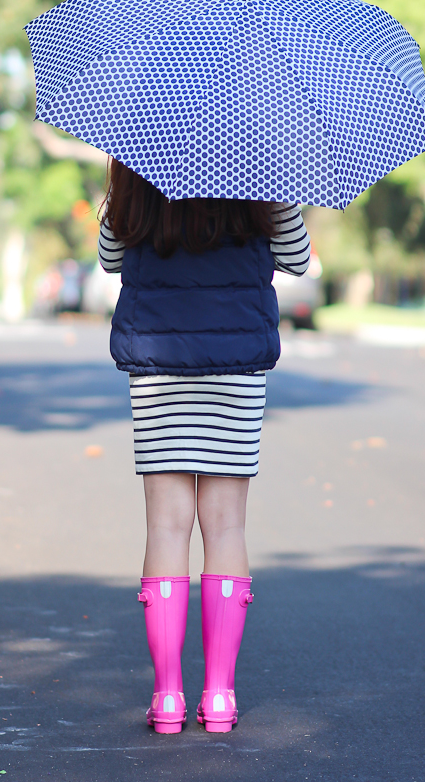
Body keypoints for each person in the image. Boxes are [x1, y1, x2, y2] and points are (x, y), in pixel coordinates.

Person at [98, 159, 310, 734]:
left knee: (166, 527)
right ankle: (218, 698)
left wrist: (113, 196)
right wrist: (283, 192)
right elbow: (297, 258)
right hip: (236, 362)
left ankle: (168, 699)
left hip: (158, 359)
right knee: (227, 528)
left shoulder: (138, 155)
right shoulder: (261, 159)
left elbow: (110, 259)